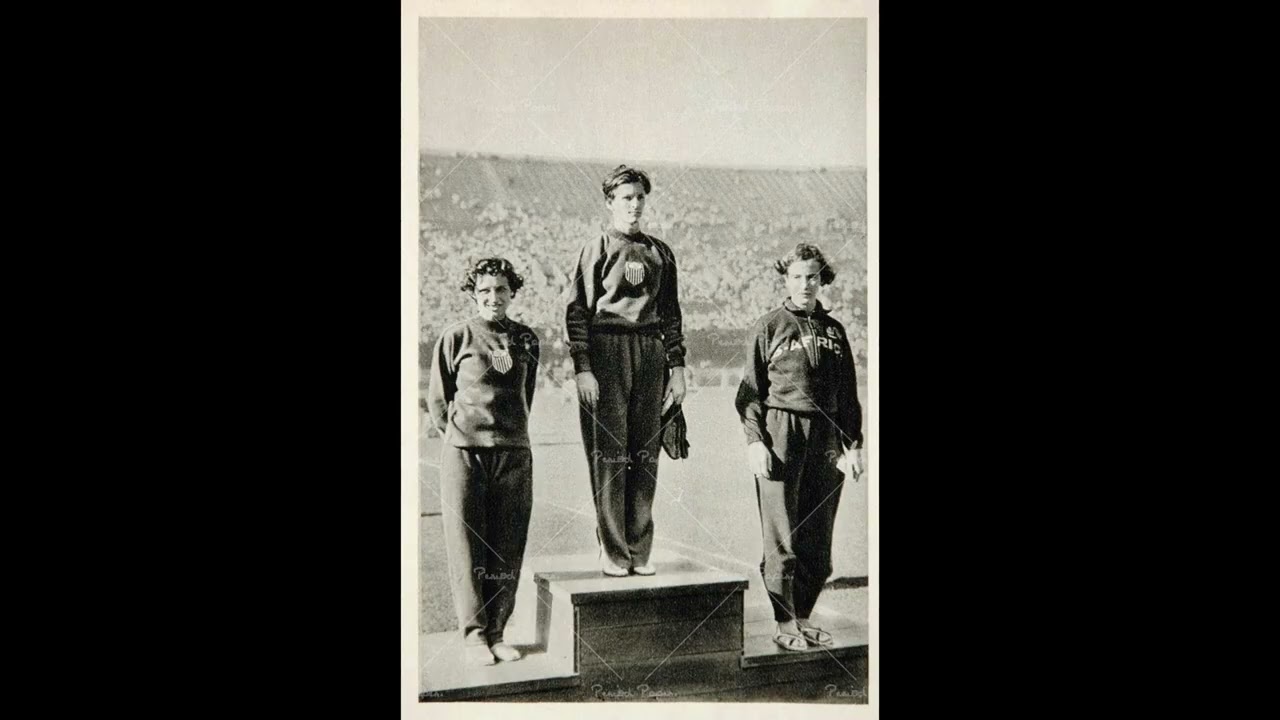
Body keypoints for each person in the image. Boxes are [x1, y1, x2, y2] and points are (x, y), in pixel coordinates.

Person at [734, 243, 864, 652]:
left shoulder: (835, 331)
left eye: (812, 277)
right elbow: (749, 393)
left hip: (826, 437)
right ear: (785, 280)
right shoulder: (769, 325)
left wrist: (853, 446)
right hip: (781, 432)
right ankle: (783, 620)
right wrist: (755, 440)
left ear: (822, 279)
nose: (805, 284)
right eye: (796, 277)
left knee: (818, 538)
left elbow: (848, 395)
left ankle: (804, 616)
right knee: (782, 536)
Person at [565, 165, 687, 577]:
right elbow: (577, 312)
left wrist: (677, 368)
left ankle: (639, 548)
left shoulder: (660, 252)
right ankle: (614, 551)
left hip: (651, 353)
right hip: (607, 351)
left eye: (639, 197)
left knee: (646, 455)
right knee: (610, 456)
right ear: (610, 203)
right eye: (626, 198)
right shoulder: (596, 248)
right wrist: (583, 368)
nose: (634, 205)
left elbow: (671, 314)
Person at [426, 258, 541, 667]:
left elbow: (526, 394)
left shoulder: (526, 339)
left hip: (514, 453)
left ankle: (497, 633)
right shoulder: (456, 337)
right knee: (467, 548)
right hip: (465, 455)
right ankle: (474, 635)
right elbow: (438, 402)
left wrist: (509, 433)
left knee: (507, 548)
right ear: (473, 294)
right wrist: (464, 437)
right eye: (485, 290)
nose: (494, 297)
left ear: (512, 293)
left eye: (501, 290)